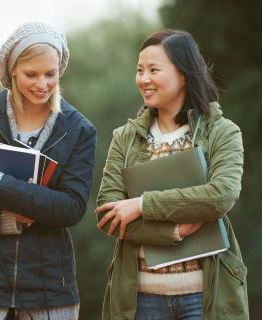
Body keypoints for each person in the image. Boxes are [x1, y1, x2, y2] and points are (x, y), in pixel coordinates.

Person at [0, 22, 96, 320]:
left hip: (50, 289)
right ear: (12, 70)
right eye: (31, 75)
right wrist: (6, 219)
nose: (42, 84)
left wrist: (4, 189)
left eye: (50, 74)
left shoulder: (79, 129)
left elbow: (73, 208)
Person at [95, 29, 248, 319]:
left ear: (183, 75)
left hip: (205, 297)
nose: (144, 79)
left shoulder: (222, 132)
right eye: (140, 70)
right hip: (140, 298)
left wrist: (140, 205)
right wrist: (172, 231)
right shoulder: (124, 137)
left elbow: (221, 195)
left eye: (154, 70)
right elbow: (108, 214)